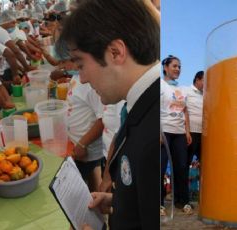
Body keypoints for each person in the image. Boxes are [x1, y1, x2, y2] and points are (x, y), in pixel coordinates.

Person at [56, 0, 160, 228]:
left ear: (115, 52)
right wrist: (121, 201)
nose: (81, 78)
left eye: (81, 64)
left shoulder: (154, 125)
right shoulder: (138, 104)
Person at [160, 55, 192, 214]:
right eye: (174, 66)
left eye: (179, 67)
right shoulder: (159, 85)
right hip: (164, 131)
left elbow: (185, 110)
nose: (178, 69)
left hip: (179, 133)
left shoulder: (182, 89)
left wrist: (187, 131)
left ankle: (183, 201)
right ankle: (159, 204)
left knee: (181, 167)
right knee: (160, 168)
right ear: (165, 67)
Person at [67, 74, 105, 192]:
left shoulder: (91, 85)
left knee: (77, 187)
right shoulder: (76, 77)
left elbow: (103, 120)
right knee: (93, 176)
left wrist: (83, 144)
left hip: (84, 149)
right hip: (75, 144)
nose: (61, 65)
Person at [186, 71, 204, 165]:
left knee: (205, 163)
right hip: (191, 133)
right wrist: (187, 132)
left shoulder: (206, 95)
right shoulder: (186, 91)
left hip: (204, 134)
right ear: (197, 79)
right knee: (186, 162)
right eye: (205, 81)